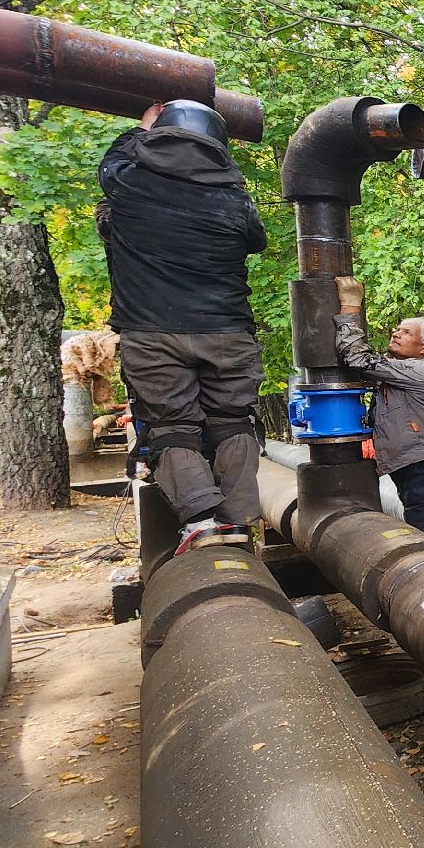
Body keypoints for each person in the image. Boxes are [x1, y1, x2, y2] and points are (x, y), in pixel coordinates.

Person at [99, 100, 265, 553]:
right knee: (233, 422)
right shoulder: (232, 195)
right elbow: (257, 239)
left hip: (153, 334)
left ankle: (202, 520)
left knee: (171, 426)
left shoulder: (128, 186)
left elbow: (111, 162)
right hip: (227, 331)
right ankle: (239, 521)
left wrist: (141, 129)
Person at [331, 277, 424, 550]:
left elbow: (358, 358)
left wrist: (350, 306)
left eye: (406, 332)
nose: (396, 334)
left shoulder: (421, 372)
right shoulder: (394, 377)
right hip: (417, 474)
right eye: (397, 329)